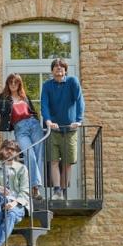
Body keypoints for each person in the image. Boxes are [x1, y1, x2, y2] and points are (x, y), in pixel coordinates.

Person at [0, 74, 44, 199]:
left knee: (39, 156)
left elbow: (33, 112)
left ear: (19, 84)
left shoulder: (24, 97)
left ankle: (36, 189)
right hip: (20, 128)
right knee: (29, 154)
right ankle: (34, 186)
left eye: (16, 82)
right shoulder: (2, 98)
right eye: (11, 82)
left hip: (34, 125)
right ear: (7, 84)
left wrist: (38, 122)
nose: (13, 84)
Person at [40, 58, 85, 200]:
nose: (58, 68)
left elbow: (80, 100)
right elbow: (44, 105)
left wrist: (78, 121)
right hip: (54, 129)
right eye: (55, 66)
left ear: (65, 70)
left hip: (70, 130)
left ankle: (63, 192)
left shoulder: (72, 82)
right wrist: (47, 121)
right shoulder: (47, 86)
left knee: (67, 162)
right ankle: (57, 190)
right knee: (53, 161)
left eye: (61, 66)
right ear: (52, 70)